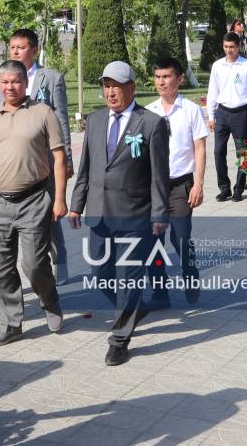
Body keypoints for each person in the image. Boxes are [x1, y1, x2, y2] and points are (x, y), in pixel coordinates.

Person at [68, 60, 170, 366]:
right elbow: (86, 168)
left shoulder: (151, 123)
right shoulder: (96, 120)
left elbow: (159, 177)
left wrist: (159, 215)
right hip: (99, 212)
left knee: (129, 278)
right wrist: (76, 204)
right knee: (100, 274)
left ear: (132, 88)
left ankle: (119, 340)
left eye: (116, 86)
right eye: (106, 86)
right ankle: (132, 308)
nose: (110, 92)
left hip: (135, 215)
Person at [0, 60, 66, 346]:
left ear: (26, 83)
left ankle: (49, 299)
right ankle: (11, 324)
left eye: (15, 81)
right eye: (5, 82)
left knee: (34, 264)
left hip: (34, 199)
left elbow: (59, 157)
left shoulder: (43, 112)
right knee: (1, 267)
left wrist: (59, 199)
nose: (10, 87)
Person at [0, 28, 74, 283]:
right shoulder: (5, 76)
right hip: (15, 162)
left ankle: (59, 260)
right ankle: (10, 276)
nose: (15, 51)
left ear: (35, 50)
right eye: (12, 47)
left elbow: (61, 119)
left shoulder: (50, 78)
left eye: (21, 47)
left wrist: (67, 158)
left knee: (50, 214)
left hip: (45, 161)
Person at [146, 57, 206, 307]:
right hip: (154, 189)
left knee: (180, 238)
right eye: (158, 77)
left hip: (182, 185)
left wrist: (199, 184)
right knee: (153, 243)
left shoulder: (191, 110)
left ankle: (190, 274)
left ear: (179, 79)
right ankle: (160, 293)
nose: (161, 82)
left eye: (167, 77)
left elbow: (200, 147)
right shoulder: (148, 112)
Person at [207, 32, 247, 202]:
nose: (229, 50)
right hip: (222, 113)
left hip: (240, 113)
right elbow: (212, 91)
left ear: (238, 47)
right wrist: (211, 115)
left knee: (242, 153)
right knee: (218, 151)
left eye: (232, 47)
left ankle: (238, 189)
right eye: (226, 47)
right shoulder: (217, 66)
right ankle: (224, 187)